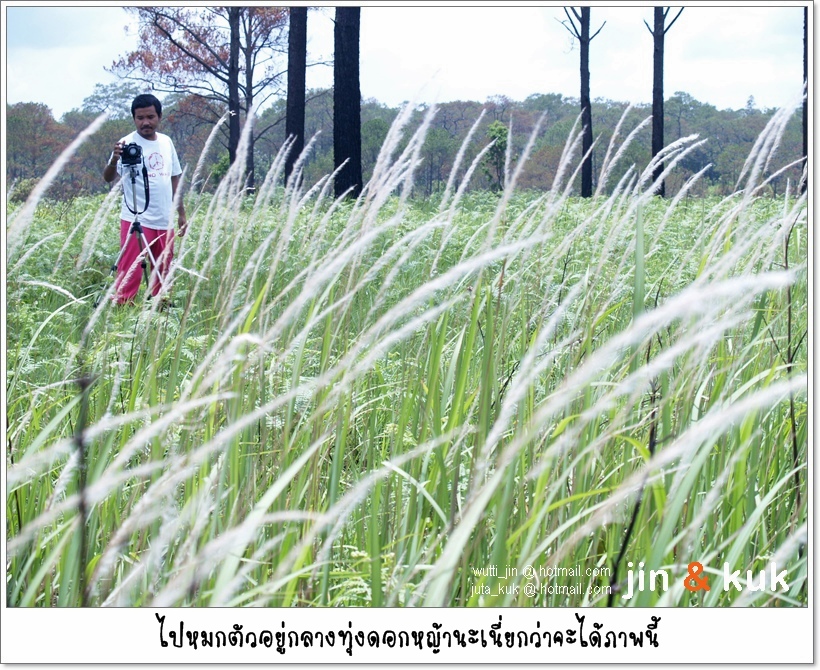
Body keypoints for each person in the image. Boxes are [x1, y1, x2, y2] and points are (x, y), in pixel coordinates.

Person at [104, 93, 187, 305]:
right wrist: (114, 159)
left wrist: (181, 214)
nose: (145, 122)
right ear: (134, 118)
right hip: (135, 218)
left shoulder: (166, 142)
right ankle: (123, 306)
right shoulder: (125, 143)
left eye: (150, 117)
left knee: (164, 269)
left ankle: (160, 306)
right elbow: (108, 177)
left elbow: (175, 178)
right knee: (130, 269)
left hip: (164, 219)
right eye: (140, 118)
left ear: (159, 116)